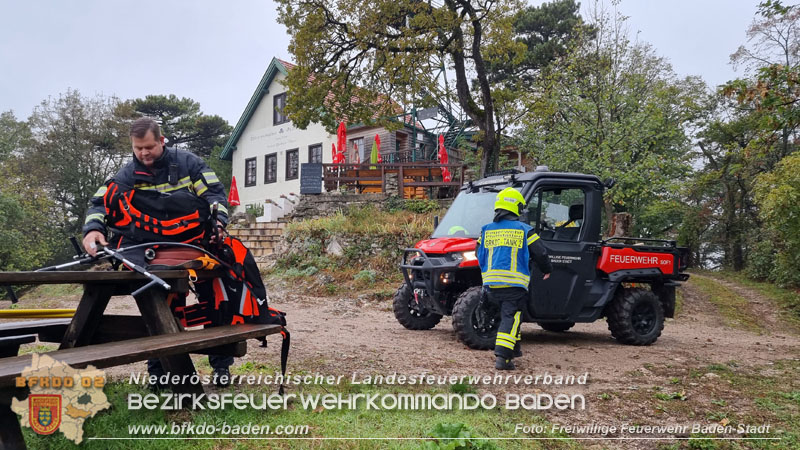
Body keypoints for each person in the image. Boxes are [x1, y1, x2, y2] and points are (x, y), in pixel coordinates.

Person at [82, 117, 233, 386]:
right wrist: (93, 230)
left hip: (196, 245)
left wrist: (219, 222)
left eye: (149, 147)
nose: (144, 153)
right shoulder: (126, 176)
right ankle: (159, 372)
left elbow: (215, 196)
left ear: (162, 141)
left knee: (214, 302)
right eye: (138, 148)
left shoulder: (189, 165)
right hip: (153, 253)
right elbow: (99, 204)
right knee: (159, 305)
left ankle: (221, 366)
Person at [477, 187, 552, 370]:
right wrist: (547, 269)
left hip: (491, 286)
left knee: (511, 318)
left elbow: (479, 254)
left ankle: (514, 351)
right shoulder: (525, 231)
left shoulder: (486, 230)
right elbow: (540, 253)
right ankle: (502, 357)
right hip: (514, 285)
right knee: (510, 318)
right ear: (516, 207)